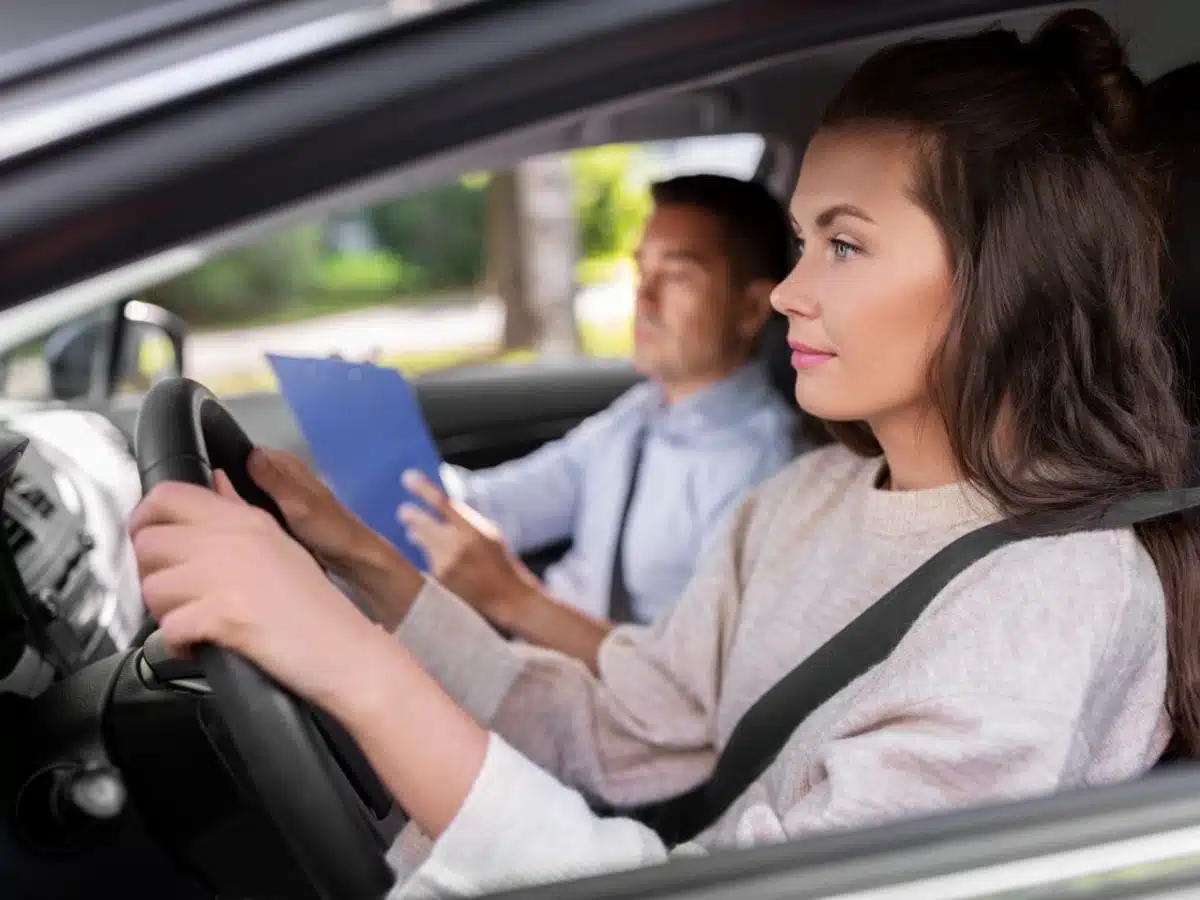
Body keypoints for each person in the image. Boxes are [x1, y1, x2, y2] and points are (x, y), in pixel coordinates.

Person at [129, 8, 1200, 897]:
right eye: (797, 242)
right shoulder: (806, 498)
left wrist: (346, 662)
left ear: (1002, 279)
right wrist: (366, 573)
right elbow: (618, 727)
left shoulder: (1058, 599)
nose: (788, 291)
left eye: (844, 242)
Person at [395, 174, 800, 641]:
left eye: (677, 277)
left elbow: (688, 685)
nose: (644, 301)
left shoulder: (765, 472)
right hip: (530, 667)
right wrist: (389, 463)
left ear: (752, 308)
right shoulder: (637, 415)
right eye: (641, 272)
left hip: (605, 701)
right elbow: (500, 505)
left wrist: (513, 599)